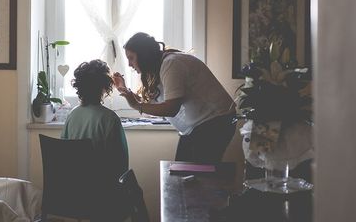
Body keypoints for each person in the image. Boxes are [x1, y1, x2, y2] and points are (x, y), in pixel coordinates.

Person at [113, 32, 236, 164]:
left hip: (214, 122)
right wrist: (124, 90)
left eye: (131, 58)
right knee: (181, 171)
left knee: (194, 176)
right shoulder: (160, 67)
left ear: (143, 55)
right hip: (198, 126)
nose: (129, 64)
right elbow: (153, 103)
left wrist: (136, 106)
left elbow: (171, 109)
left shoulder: (171, 64)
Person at [61, 59, 129, 187]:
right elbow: (122, 164)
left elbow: (63, 154)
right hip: (101, 189)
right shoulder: (110, 118)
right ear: (105, 87)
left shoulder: (72, 116)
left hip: (73, 187)